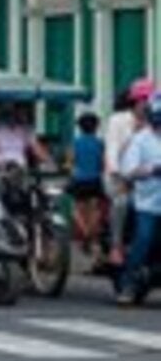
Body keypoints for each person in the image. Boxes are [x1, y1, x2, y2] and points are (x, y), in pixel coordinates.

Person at [117, 93, 161, 304]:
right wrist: (151, 170)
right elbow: (128, 170)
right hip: (148, 204)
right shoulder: (140, 140)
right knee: (143, 239)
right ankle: (129, 283)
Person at [105, 81, 153, 266]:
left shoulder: (155, 123)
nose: (148, 105)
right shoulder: (118, 121)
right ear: (136, 101)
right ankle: (116, 246)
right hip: (119, 178)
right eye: (145, 100)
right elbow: (112, 149)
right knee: (122, 202)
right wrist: (117, 172)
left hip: (148, 180)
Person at [0, 101, 55, 170]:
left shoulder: (27, 129)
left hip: (19, 168)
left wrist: (50, 161)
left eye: (26, 112)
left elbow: (37, 149)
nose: (24, 115)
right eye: (21, 111)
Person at [69, 110, 105, 256]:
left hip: (79, 179)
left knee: (77, 210)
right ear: (96, 127)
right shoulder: (100, 143)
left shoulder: (76, 142)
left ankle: (84, 232)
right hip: (95, 179)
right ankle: (90, 234)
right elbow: (102, 163)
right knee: (95, 210)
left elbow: (70, 161)